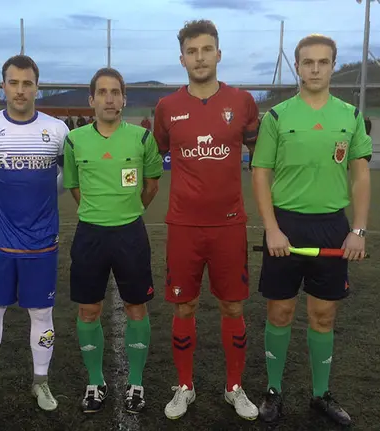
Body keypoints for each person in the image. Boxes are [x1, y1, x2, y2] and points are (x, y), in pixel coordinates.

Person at [250, 34, 372, 426]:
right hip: (285, 225)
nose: (315, 68)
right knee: (281, 311)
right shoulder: (277, 117)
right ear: (298, 67)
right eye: (308, 62)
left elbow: (361, 178)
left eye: (323, 62)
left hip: (332, 228)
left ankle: (321, 395)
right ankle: (273, 391)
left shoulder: (350, 116)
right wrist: (271, 228)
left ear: (334, 65)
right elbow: (260, 173)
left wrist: (359, 230)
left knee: (323, 316)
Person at [152, 19, 261, 421]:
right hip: (183, 225)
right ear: (182, 58)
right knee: (185, 307)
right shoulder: (167, 108)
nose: (200, 57)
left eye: (207, 49)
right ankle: (185, 386)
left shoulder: (243, 102)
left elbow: (259, 155)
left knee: (233, 307)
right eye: (192, 51)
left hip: (230, 224)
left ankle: (234, 387)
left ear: (219, 53)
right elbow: (159, 152)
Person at [0, 55, 68, 413]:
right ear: (3, 85)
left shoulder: (56, 131)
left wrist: (46, 198)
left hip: (41, 242)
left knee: (41, 314)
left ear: (38, 86)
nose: (20, 90)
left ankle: (41, 383)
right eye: (13, 82)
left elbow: (70, 175)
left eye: (27, 83)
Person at [64, 67, 163, 415]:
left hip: (130, 234)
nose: (109, 98)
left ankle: (135, 382)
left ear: (124, 98)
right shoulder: (75, 140)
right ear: (91, 100)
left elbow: (151, 184)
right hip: (90, 234)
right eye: (102, 92)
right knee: (88, 310)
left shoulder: (141, 138)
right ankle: (96, 381)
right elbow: (74, 187)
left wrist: (128, 210)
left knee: (137, 307)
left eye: (115, 92)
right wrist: (98, 211)